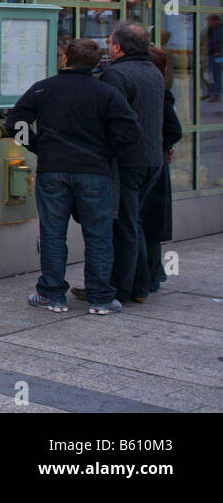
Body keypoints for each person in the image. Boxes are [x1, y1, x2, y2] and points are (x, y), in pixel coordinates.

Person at [5, 39, 140, 315]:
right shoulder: (106, 93)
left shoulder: (45, 88)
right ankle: (101, 298)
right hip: (95, 172)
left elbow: (14, 122)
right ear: (96, 64)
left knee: (53, 234)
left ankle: (52, 294)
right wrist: (108, 151)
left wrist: (36, 144)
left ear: (65, 59)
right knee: (99, 235)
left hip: (53, 169)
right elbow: (131, 131)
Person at [92, 21, 164, 305]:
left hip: (127, 161)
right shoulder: (153, 72)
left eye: (110, 42)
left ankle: (121, 287)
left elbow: (112, 122)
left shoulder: (117, 75)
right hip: (151, 160)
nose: (108, 46)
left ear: (118, 47)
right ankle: (141, 285)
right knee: (134, 223)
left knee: (124, 226)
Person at [141, 46, 183, 295]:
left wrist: (159, 146)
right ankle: (153, 274)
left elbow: (173, 130)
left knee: (148, 224)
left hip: (151, 165)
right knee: (150, 225)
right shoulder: (160, 91)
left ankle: (151, 274)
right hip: (155, 162)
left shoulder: (160, 94)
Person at [204, 14, 222, 102]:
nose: (209, 23)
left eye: (210, 21)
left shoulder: (220, 30)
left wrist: (219, 53)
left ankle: (215, 94)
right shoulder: (211, 30)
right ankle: (211, 93)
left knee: (215, 75)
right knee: (209, 75)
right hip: (210, 54)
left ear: (216, 21)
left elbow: (218, 42)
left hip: (217, 55)